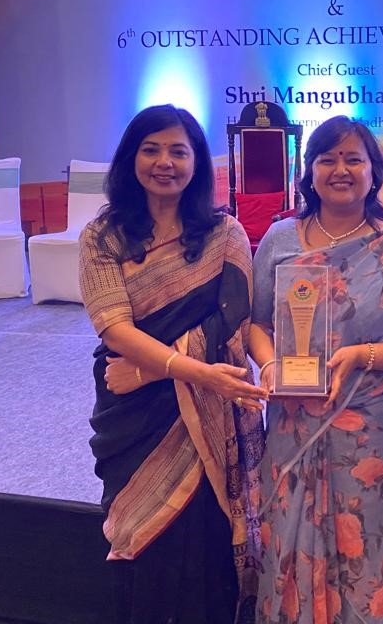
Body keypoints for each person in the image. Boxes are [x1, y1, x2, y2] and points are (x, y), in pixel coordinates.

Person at [248, 115, 383, 623]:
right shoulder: (279, 238)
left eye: (353, 159)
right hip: (293, 416)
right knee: (287, 536)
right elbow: (254, 324)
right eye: (327, 159)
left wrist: (362, 355)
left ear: (374, 172)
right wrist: (271, 364)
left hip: (370, 426)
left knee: (365, 541)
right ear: (309, 171)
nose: (340, 170)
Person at [79, 104, 269, 624]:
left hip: (209, 407)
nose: (165, 162)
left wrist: (150, 369)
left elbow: (234, 319)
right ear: (130, 158)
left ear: (197, 162)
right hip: (138, 414)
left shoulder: (224, 233)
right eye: (151, 149)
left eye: (178, 151)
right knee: (142, 528)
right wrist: (192, 371)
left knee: (207, 535)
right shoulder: (103, 236)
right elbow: (113, 328)